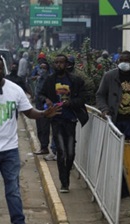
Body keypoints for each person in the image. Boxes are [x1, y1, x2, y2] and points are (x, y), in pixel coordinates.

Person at [0, 56, 61, 224]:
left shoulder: (15, 90)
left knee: (13, 189)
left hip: (10, 149)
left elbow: (28, 112)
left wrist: (44, 114)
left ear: (3, 69)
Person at [38, 54, 89, 193]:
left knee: (71, 152)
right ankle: (64, 183)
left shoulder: (75, 80)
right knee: (61, 151)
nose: (59, 65)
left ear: (66, 64)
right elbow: (40, 94)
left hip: (71, 119)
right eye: (56, 62)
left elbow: (83, 97)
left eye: (61, 62)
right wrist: (47, 100)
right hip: (56, 119)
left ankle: (66, 174)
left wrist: (70, 102)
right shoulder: (50, 80)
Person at [96, 51, 130, 140]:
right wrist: (104, 109)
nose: (123, 63)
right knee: (116, 146)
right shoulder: (109, 76)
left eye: (126, 61)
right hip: (115, 118)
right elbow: (100, 95)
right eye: (121, 60)